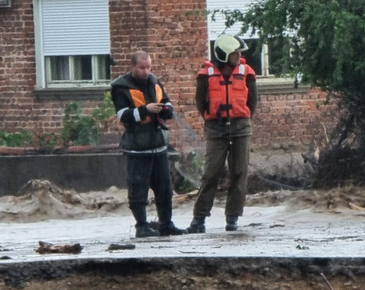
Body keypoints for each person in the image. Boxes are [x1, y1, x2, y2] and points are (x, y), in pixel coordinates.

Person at [110, 51, 186, 237]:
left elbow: (167, 103)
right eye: (142, 68)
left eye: (148, 67)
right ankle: (141, 226)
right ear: (132, 67)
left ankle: (166, 224)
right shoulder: (121, 87)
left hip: (159, 145)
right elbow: (122, 115)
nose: (146, 72)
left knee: (165, 188)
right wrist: (146, 110)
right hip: (137, 148)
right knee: (138, 188)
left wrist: (166, 109)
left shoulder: (154, 82)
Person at [188, 34, 258, 233]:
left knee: (239, 173)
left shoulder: (247, 73)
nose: (239, 56)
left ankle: (232, 217)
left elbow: (253, 102)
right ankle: (199, 218)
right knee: (210, 173)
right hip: (215, 128)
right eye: (235, 52)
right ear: (224, 54)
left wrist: (242, 119)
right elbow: (201, 103)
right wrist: (213, 119)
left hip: (240, 128)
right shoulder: (205, 75)